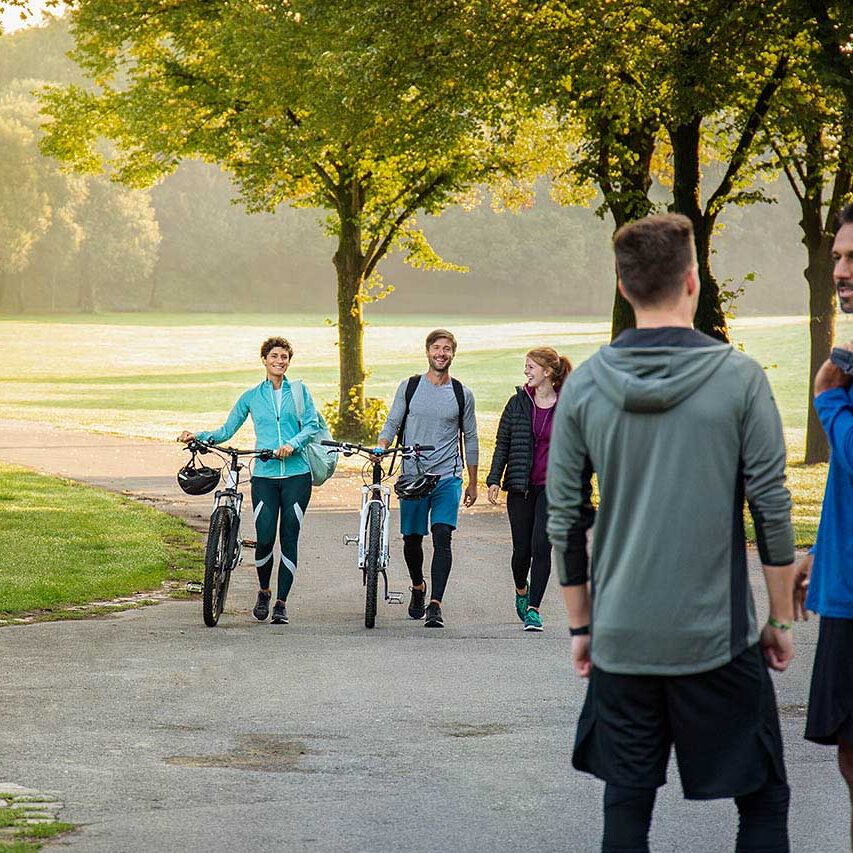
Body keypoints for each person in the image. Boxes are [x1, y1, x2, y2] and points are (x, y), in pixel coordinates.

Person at [547, 213, 796, 852]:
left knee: (626, 811)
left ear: (625, 287)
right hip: (719, 638)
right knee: (764, 802)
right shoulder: (740, 379)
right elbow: (769, 507)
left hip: (623, 637)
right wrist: (779, 619)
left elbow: (566, 517)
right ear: (692, 282)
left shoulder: (585, 389)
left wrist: (582, 627)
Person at [178, 336, 320, 625]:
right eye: (275, 356)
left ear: (289, 361)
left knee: (289, 537)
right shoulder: (252, 396)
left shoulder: (300, 392)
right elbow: (228, 429)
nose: (280, 361)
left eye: (284, 357)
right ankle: (265, 591)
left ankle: (281, 603)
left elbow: (312, 426)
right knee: (265, 538)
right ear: (264, 360)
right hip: (265, 476)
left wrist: (292, 444)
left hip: (296, 475)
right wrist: (200, 436)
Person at [796, 203, 853, 847]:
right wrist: (818, 547)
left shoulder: (838, 377)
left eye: (851, 258)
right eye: (837, 256)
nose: (839, 269)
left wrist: (829, 398)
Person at [375, 329, 479, 628]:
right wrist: (381, 445)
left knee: (443, 535)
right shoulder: (409, 387)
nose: (441, 353)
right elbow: (393, 421)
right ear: (427, 351)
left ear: (453, 354)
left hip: (447, 476)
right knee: (412, 538)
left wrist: (472, 481)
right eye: (437, 348)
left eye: (447, 349)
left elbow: (470, 438)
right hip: (413, 476)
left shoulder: (462, 394)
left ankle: (435, 604)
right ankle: (418, 586)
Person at [487, 347, 575, 632]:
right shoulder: (517, 403)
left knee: (542, 546)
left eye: (531, 366)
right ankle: (521, 589)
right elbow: (503, 443)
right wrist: (493, 479)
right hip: (521, 486)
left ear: (547, 371)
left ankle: (534, 610)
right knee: (521, 551)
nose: (526, 371)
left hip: (553, 488)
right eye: (526, 367)